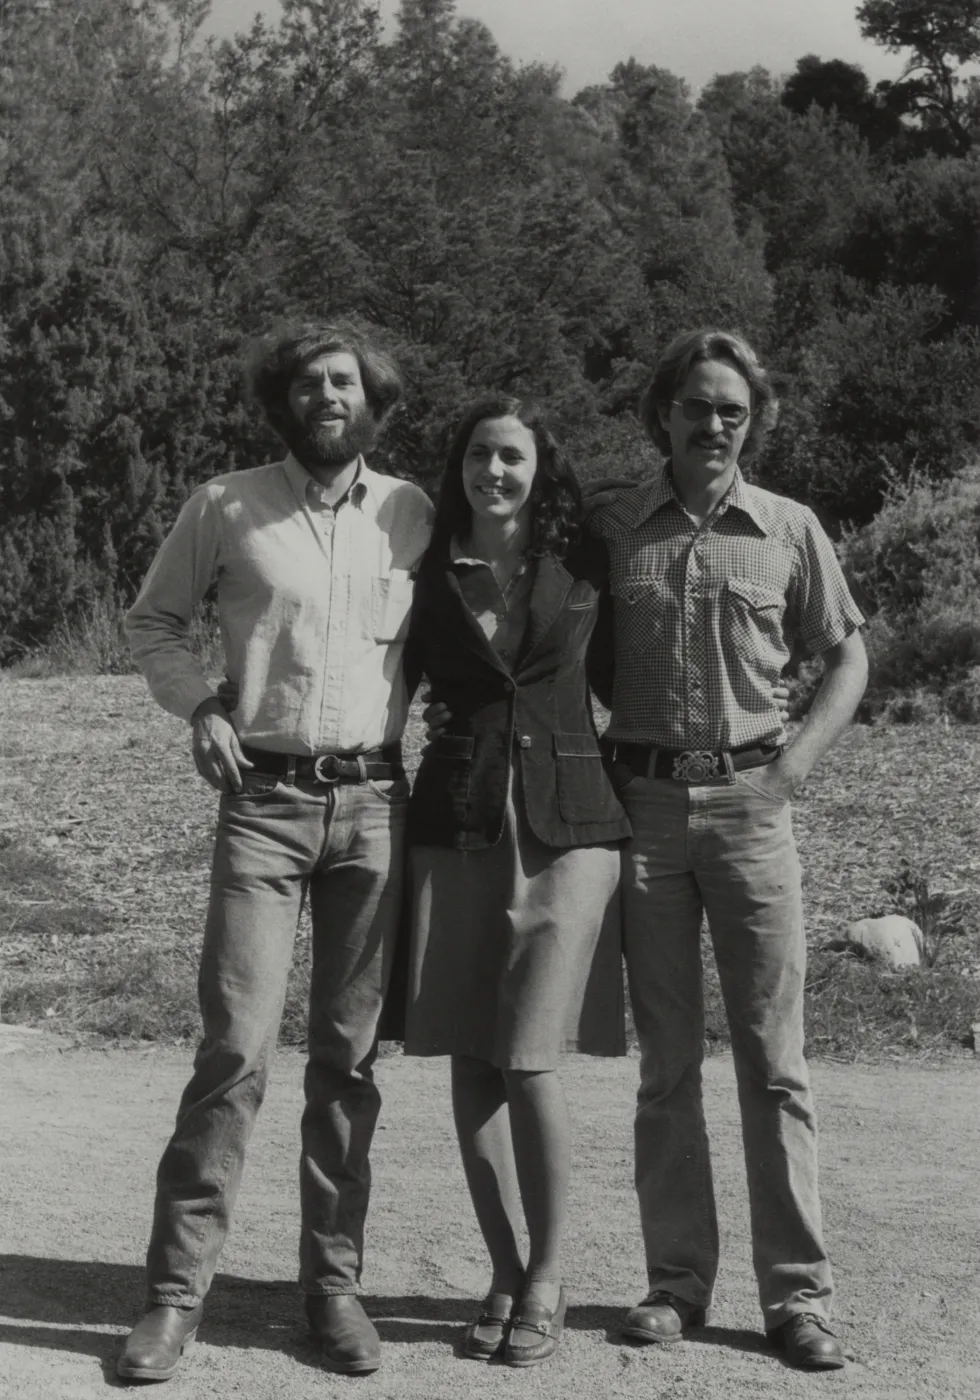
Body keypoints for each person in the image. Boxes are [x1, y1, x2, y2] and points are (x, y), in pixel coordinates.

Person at [118, 322, 433, 1381]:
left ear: (372, 397)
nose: (327, 394)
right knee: (234, 1052)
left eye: (345, 379)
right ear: (284, 399)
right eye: (310, 381)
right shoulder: (225, 503)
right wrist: (199, 703)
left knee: (347, 1060)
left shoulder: (413, 512)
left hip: (376, 808)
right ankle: (173, 1294)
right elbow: (155, 621)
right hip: (262, 801)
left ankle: (330, 1286)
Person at [589, 328, 868, 1370]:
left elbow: (847, 654)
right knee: (665, 1064)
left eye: (731, 410)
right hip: (645, 810)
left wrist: (791, 766)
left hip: (754, 805)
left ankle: (796, 1296)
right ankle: (675, 1283)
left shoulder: (789, 529)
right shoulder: (616, 527)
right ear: (661, 411)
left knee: (772, 1060)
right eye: (695, 405)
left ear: (753, 421)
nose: (712, 424)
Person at [401, 396, 631, 1367]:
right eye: (480, 454)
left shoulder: (585, 562)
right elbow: (388, 677)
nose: (494, 471)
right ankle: (498, 1268)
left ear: (539, 469)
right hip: (453, 820)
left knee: (530, 1055)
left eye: (512, 457)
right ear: (458, 465)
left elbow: (628, 675)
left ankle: (546, 1275)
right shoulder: (421, 568)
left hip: (570, 824)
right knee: (468, 1054)